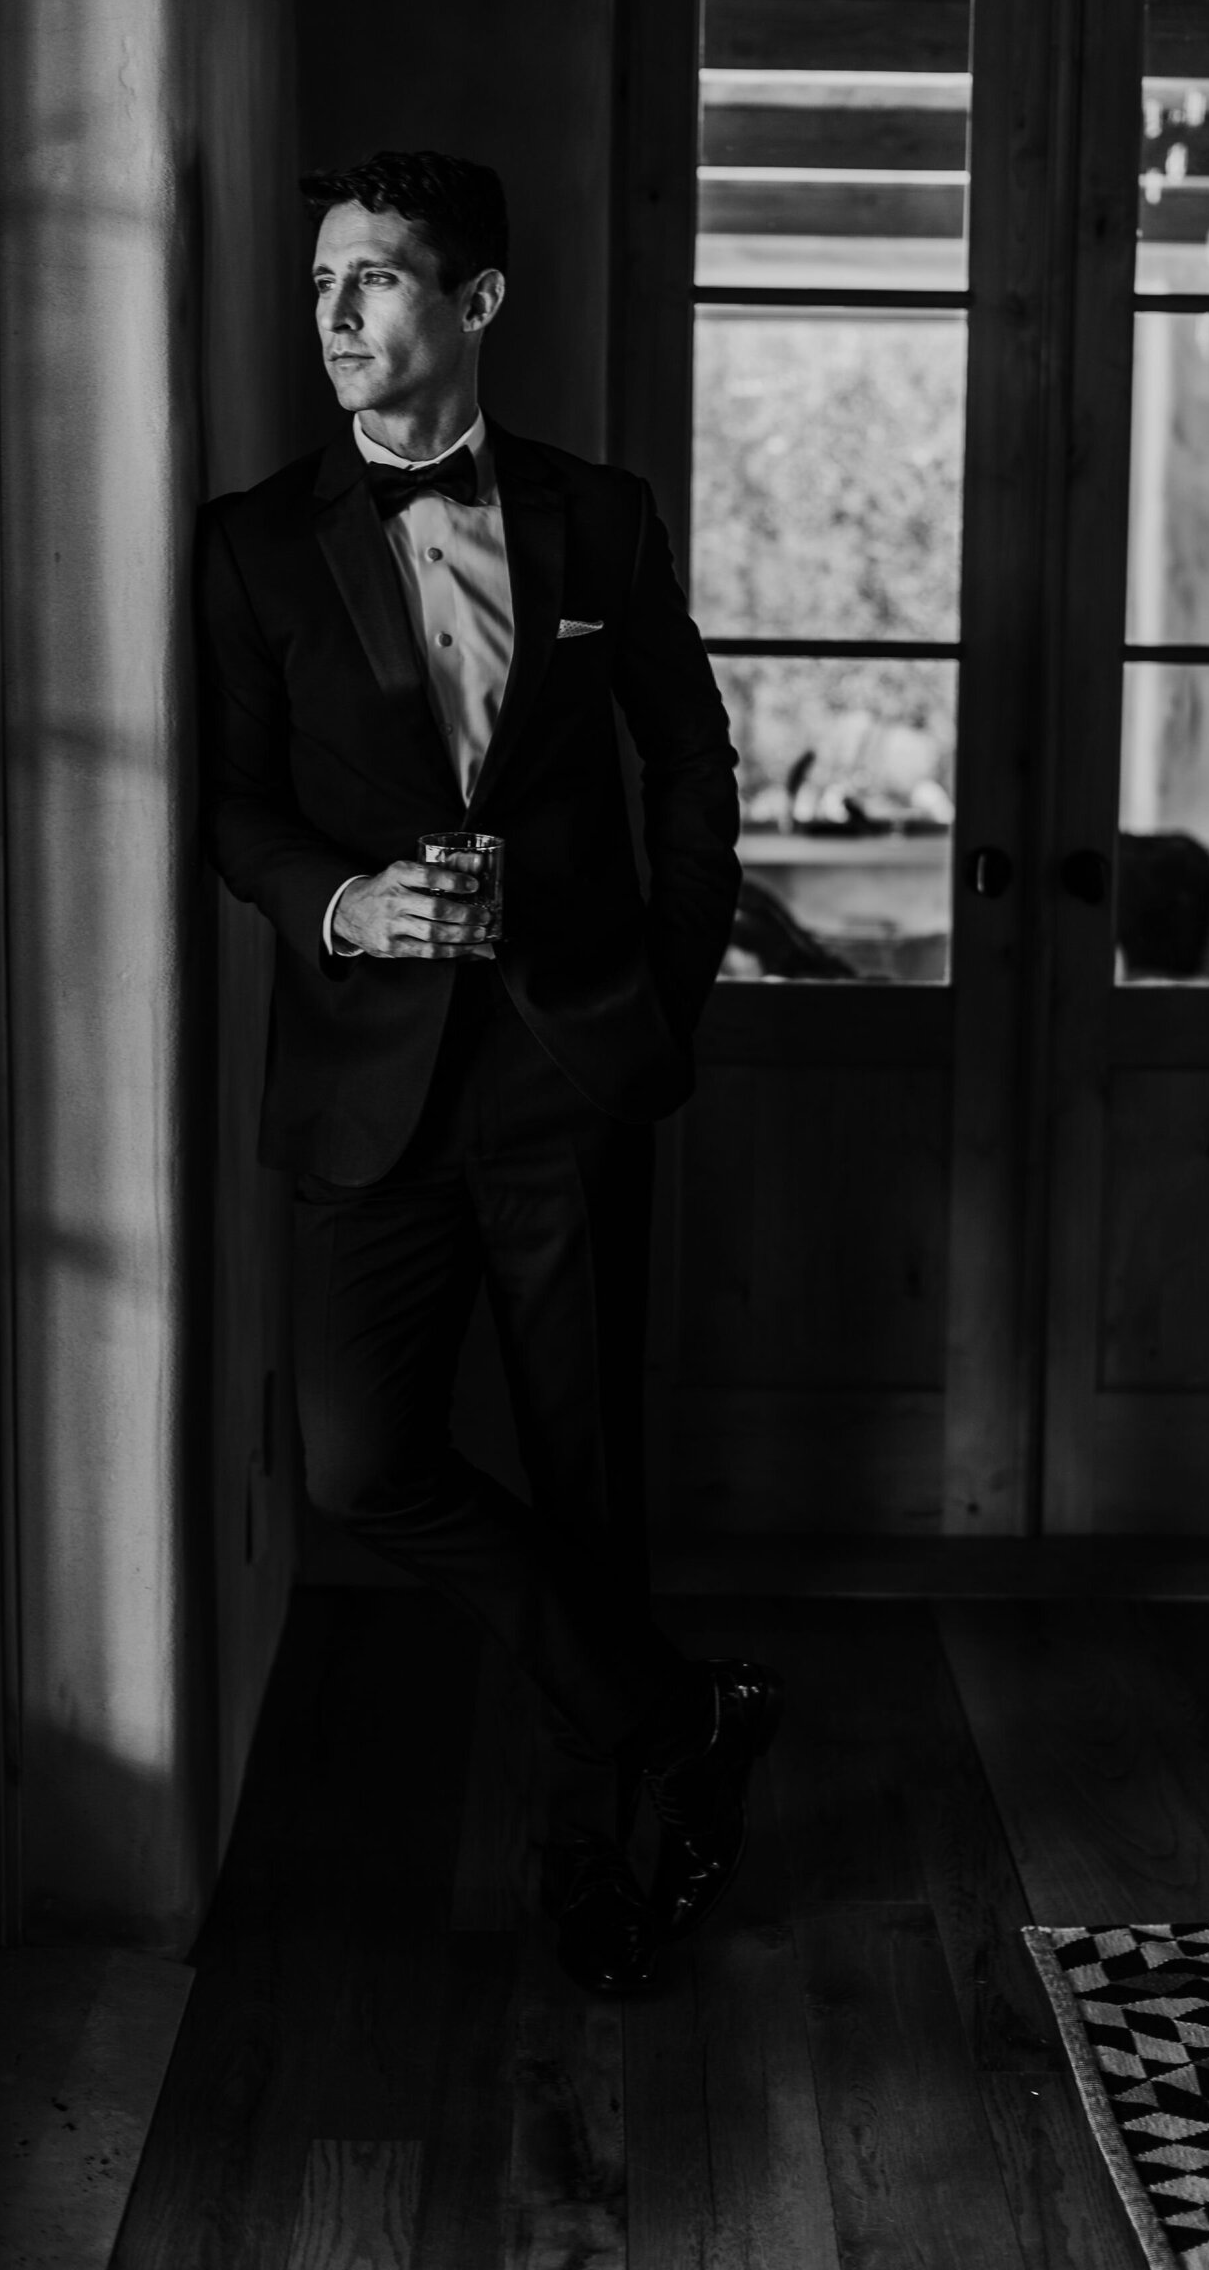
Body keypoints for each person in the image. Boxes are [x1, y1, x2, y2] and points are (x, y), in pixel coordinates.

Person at [197, 149, 779, 1993]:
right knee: (364, 1466)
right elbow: (229, 804)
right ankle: (676, 1715)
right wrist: (346, 906)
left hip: (566, 1071)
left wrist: (660, 997)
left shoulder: (600, 521)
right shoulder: (253, 540)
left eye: (373, 281)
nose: (338, 318)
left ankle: (596, 1865)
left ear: (478, 304)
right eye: (320, 288)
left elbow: (691, 762)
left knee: (583, 1476)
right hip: (365, 1089)